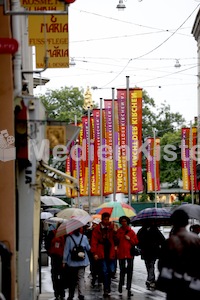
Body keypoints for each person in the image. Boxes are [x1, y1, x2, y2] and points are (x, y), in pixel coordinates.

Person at [158, 210, 200, 300]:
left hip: (174, 285)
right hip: (192, 283)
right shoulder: (196, 239)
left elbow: (162, 265)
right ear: (187, 222)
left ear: (172, 222)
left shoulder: (169, 242)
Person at [90, 212, 118, 297]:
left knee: (111, 270)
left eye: (107, 219)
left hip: (111, 252)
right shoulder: (97, 229)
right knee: (105, 271)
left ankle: (107, 286)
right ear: (102, 220)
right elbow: (94, 242)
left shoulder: (112, 227)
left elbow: (117, 240)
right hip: (102, 252)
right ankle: (106, 288)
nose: (107, 221)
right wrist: (94, 253)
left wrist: (115, 232)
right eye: (105, 219)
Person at [63, 227, 91, 300]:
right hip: (82, 261)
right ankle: (81, 294)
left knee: (72, 279)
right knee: (81, 277)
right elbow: (88, 248)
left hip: (72, 262)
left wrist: (64, 261)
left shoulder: (69, 238)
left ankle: (71, 295)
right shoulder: (84, 237)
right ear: (80, 230)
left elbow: (66, 250)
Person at [137, 220, 165, 290]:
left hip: (151, 251)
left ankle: (150, 279)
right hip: (149, 251)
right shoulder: (148, 230)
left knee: (150, 265)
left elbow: (162, 240)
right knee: (150, 265)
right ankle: (151, 279)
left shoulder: (143, 230)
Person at [116, 216, 138, 298]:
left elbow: (135, 242)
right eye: (122, 221)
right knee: (122, 271)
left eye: (125, 221)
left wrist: (129, 239)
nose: (124, 223)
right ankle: (120, 285)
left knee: (130, 272)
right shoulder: (119, 231)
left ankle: (129, 288)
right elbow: (116, 241)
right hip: (121, 254)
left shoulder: (131, 232)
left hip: (129, 254)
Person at [45, 222, 66, 300]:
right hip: (63, 258)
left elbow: (47, 244)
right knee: (62, 276)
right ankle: (62, 292)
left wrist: (50, 253)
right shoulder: (65, 235)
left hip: (54, 257)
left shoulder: (52, 233)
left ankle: (56, 292)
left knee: (54, 275)